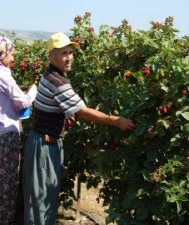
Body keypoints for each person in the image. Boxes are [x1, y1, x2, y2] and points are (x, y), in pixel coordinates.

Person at [23, 32, 135, 225]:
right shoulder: (58, 82)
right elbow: (83, 111)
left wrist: (62, 118)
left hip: (44, 142)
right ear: (51, 56)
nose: (69, 57)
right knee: (41, 202)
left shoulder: (51, 75)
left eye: (70, 52)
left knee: (44, 198)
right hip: (44, 147)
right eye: (63, 53)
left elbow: (51, 109)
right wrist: (116, 120)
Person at [0, 36, 37, 225]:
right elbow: (24, 101)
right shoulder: (1, 75)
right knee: (7, 178)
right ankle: (6, 219)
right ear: (1, 53)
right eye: (10, 52)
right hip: (7, 133)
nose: (13, 57)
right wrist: (34, 90)